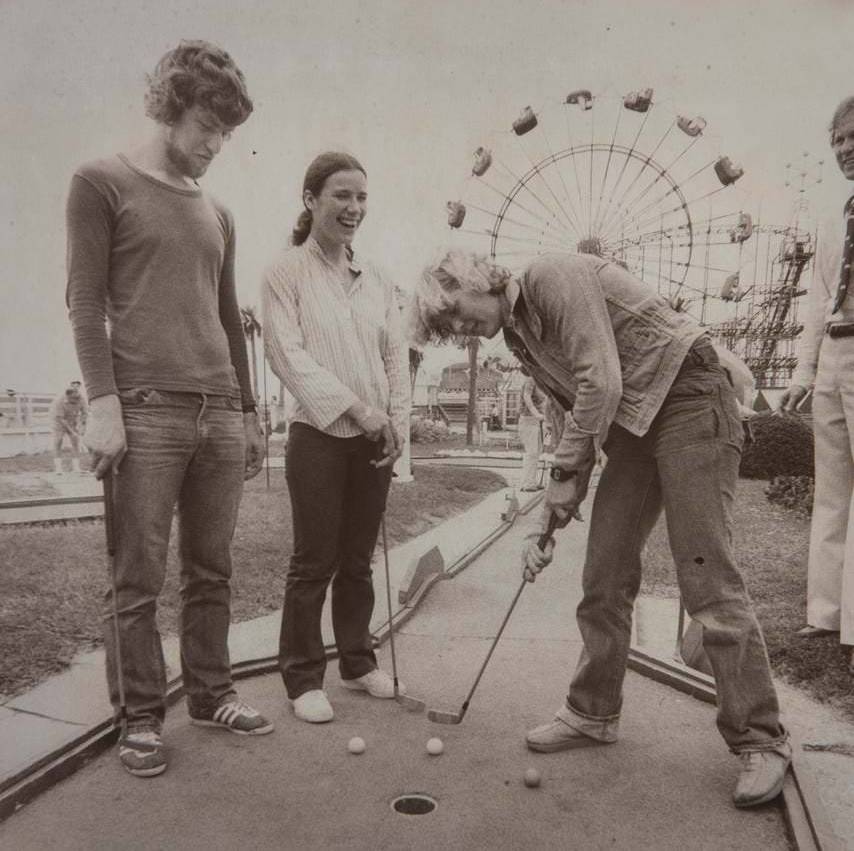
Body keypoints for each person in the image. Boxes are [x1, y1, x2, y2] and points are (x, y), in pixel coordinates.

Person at [409, 248, 791, 808]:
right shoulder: (520, 338)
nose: (464, 329)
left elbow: (602, 383)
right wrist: (550, 515)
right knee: (604, 571)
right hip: (634, 423)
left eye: (459, 312)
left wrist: (566, 474)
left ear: (478, 280)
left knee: (705, 574)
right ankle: (593, 712)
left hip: (691, 394)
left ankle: (762, 738)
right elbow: (574, 424)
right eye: (452, 328)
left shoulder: (551, 278)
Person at [65, 40, 273, 779]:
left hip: (218, 410)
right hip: (145, 409)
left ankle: (212, 694)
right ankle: (142, 719)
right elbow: (85, 304)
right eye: (206, 126)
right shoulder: (99, 182)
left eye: (226, 132)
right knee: (138, 575)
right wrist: (101, 403)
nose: (216, 145)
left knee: (211, 569)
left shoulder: (219, 211)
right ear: (169, 107)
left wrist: (246, 413)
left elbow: (226, 315)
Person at [261, 151, 409, 724]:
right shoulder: (285, 271)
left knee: (357, 561)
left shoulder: (379, 279)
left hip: (374, 439)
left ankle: (357, 662)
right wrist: (358, 410)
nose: (353, 208)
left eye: (361, 198)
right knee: (314, 559)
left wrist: (394, 424)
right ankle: (302, 678)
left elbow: (396, 356)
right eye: (341, 196)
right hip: (318, 434)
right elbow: (286, 356)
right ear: (311, 201)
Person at [780, 95, 854, 670]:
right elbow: (815, 300)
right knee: (831, 490)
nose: (845, 150)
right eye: (838, 142)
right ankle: (825, 614)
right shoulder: (835, 215)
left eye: (853, 138)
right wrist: (804, 370)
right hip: (835, 351)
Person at [518, 374, 546, 491]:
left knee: (537, 452)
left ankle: (531, 481)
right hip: (529, 420)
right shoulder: (531, 379)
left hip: (539, 421)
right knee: (532, 452)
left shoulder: (542, 381)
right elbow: (526, 397)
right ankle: (527, 483)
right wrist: (536, 413)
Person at [49, 386, 87, 473]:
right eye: (73, 399)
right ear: (68, 396)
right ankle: (58, 468)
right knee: (58, 441)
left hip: (73, 421)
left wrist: (81, 425)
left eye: (77, 398)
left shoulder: (81, 399)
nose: (76, 401)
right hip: (59, 422)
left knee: (75, 443)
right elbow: (61, 419)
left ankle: (76, 468)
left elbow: (84, 413)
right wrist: (72, 431)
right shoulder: (59, 401)